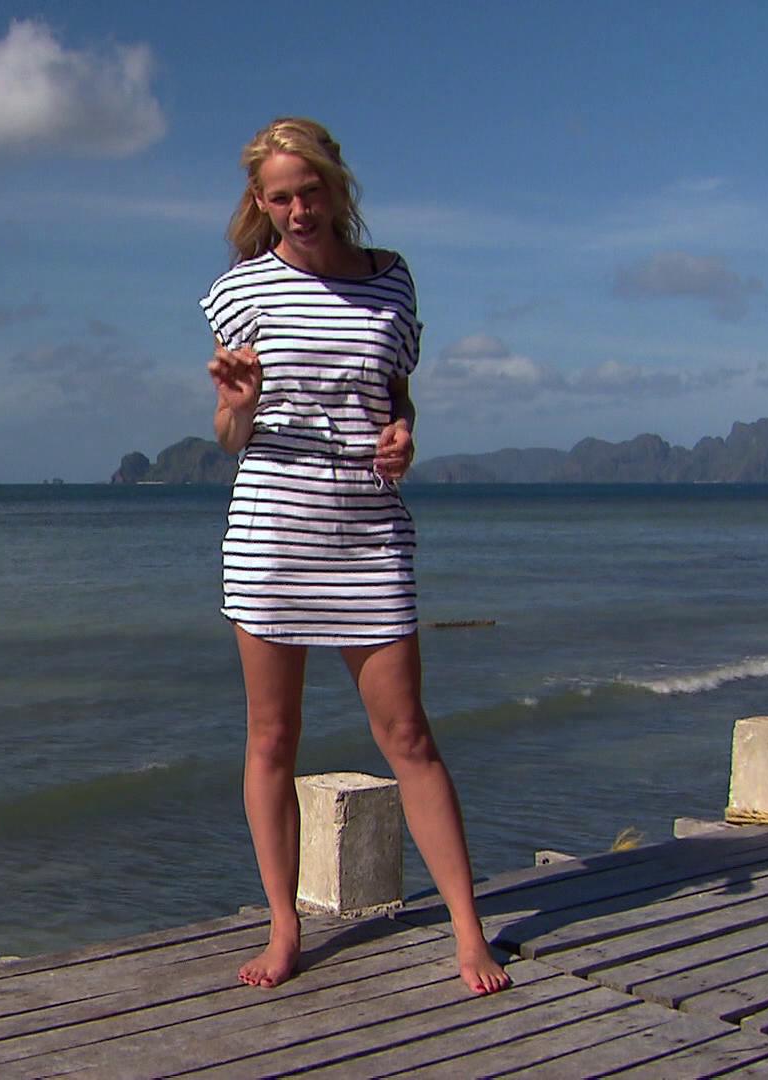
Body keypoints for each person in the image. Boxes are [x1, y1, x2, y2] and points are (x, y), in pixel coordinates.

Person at [200, 117, 510, 994]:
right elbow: (228, 435)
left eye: (311, 191)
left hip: (369, 532)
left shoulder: (390, 279)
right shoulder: (241, 291)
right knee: (272, 737)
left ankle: (469, 931)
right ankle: (284, 926)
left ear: (337, 187)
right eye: (280, 197)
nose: (299, 210)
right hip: (273, 532)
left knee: (407, 733)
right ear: (259, 202)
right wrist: (239, 403)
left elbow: (394, 394)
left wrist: (403, 433)